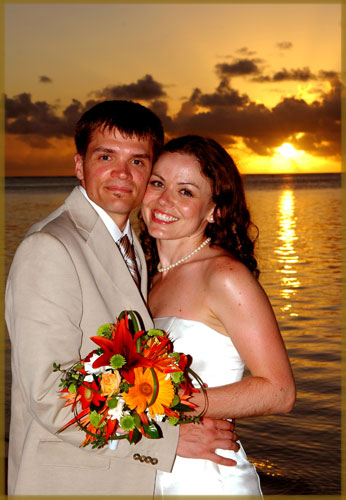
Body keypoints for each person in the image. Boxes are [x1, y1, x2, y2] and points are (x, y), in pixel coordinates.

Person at [5, 102, 240, 496]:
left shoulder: (133, 244)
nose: (121, 174)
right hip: (69, 482)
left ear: (150, 172)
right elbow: (48, 394)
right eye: (106, 156)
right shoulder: (49, 247)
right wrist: (168, 439)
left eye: (137, 161)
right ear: (80, 165)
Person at [140, 135, 296, 496]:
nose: (165, 201)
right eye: (158, 183)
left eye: (186, 192)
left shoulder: (224, 276)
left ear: (215, 210)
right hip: (159, 463)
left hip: (206, 475)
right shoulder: (146, 276)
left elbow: (280, 391)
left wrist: (169, 404)